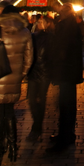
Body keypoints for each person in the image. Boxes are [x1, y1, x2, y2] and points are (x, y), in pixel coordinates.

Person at [0, 4, 32, 162]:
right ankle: (13, 149)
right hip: (13, 79)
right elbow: (29, 60)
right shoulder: (25, 32)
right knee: (10, 114)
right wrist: (20, 75)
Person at [47, 3, 84, 153]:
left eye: (62, 7)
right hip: (69, 71)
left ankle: (64, 138)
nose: (58, 8)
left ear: (66, 11)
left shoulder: (67, 25)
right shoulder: (69, 23)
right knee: (66, 105)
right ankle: (67, 135)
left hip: (66, 71)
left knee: (66, 105)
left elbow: (62, 48)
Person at [26, 15, 52, 143]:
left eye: (42, 22)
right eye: (39, 21)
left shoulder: (51, 37)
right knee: (31, 100)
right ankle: (36, 124)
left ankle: (36, 127)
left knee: (41, 100)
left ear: (47, 24)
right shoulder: (32, 36)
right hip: (33, 71)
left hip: (45, 72)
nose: (40, 23)